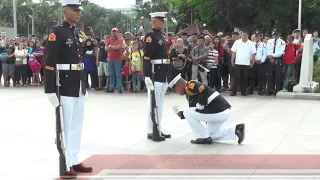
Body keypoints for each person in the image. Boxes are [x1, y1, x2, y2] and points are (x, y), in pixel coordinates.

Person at [44, 0, 93, 178]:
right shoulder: (57, 32)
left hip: (79, 84)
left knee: (77, 124)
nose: (78, 13)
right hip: (64, 85)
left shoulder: (79, 33)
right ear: (65, 11)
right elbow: (50, 62)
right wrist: (49, 89)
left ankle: (74, 158)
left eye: (79, 10)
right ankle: (64, 164)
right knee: (65, 125)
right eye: (74, 10)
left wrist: (84, 85)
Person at [168, 74, 245, 144]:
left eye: (175, 89)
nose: (177, 92)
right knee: (210, 134)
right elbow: (194, 111)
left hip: (219, 111)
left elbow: (202, 88)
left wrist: (201, 103)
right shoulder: (189, 94)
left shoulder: (191, 85)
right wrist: (182, 114)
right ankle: (236, 130)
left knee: (187, 112)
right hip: (220, 112)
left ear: (179, 86)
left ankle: (203, 137)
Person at [144, 12, 171, 141]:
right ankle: (150, 130)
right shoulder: (151, 36)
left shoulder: (161, 36)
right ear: (154, 21)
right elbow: (147, 58)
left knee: (160, 103)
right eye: (160, 20)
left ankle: (158, 128)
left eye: (163, 20)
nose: (163, 22)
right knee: (152, 103)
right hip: (155, 73)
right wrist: (146, 75)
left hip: (162, 72)